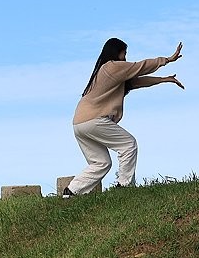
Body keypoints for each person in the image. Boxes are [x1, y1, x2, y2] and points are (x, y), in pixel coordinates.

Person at [64, 37, 184, 197]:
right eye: (124, 53)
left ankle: (71, 191)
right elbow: (140, 67)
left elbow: (135, 82)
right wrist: (167, 59)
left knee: (100, 163)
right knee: (128, 144)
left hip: (79, 123)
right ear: (116, 52)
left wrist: (163, 80)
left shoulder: (107, 72)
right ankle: (124, 186)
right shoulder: (111, 67)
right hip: (94, 120)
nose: (125, 58)